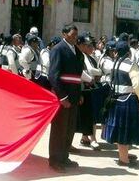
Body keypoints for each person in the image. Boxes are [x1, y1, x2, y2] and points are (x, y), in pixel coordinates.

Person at [102, 41, 139, 167]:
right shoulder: (131, 65)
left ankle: (123, 155)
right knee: (125, 130)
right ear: (129, 53)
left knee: (119, 129)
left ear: (116, 52)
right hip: (128, 99)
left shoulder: (114, 64)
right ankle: (124, 159)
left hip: (115, 99)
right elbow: (138, 85)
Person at [47, 24, 83, 173]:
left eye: (76, 35)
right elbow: (53, 75)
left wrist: (79, 93)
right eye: (72, 34)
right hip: (63, 94)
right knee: (59, 129)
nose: (75, 37)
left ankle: (64, 156)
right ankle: (55, 159)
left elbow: (78, 76)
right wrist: (62, 97)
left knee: (70, 128)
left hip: (74, 94)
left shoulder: (77, 51)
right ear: (64, 34)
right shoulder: (58, 49)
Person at [75, 35, 103, 151]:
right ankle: (93, 139)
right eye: (88, 45)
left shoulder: (89, 56)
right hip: (84, 86)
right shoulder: (82, 56)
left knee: (88, 114)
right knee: (89, 115)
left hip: (88, 87)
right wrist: (99, 72)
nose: (91, 48)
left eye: (92, 45)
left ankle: (86, 137)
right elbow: (90, 71)